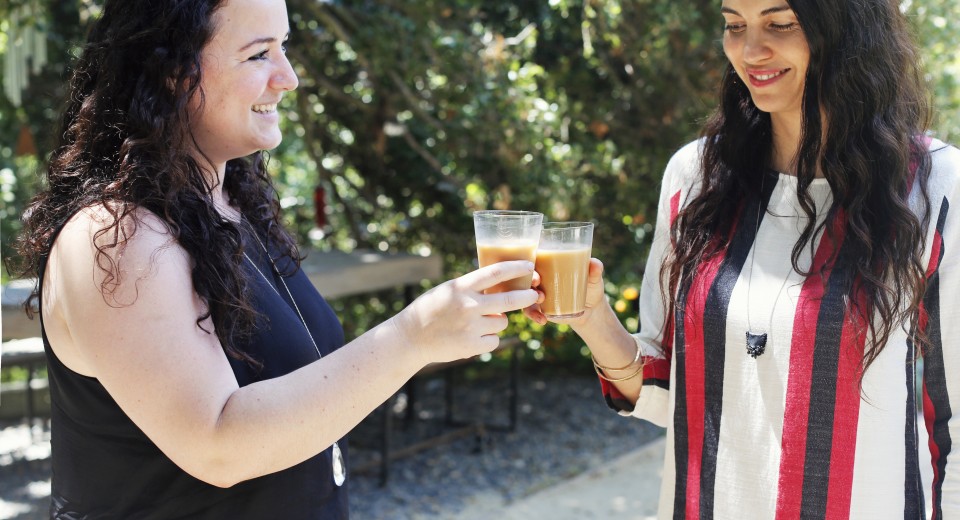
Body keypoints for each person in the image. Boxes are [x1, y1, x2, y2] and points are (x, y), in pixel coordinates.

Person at [11, 0, 539, 518]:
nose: (288, 78)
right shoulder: (117, 235)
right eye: (259, 54)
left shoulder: (230, 205)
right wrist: (412, 336)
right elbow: (217, 445)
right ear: (172, 70)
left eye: (283, 48)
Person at [526, 0, 959, 518]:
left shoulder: (935, 189)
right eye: (734, 25)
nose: (750, 50)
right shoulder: (696, 177)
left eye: (780, 24)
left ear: (849, 29)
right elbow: (667, 393)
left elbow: (954, 424)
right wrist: (591, 318)